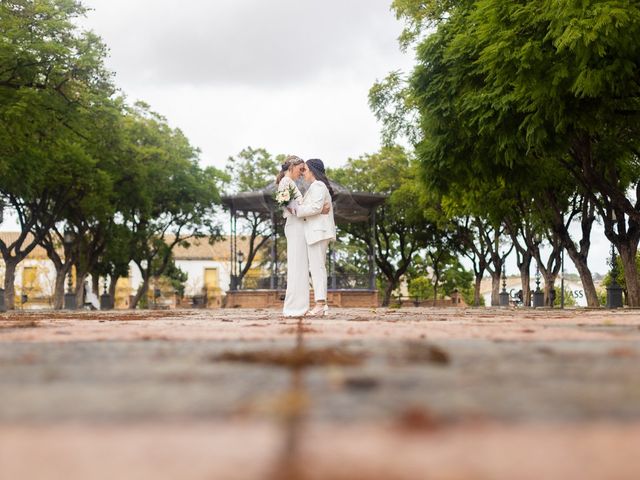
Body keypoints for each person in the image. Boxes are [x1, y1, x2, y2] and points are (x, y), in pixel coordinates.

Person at [295, 158, 336, 317]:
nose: (303, 172)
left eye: (304, 169)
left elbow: (316, 207)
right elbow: (318, 208)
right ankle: (322, 304)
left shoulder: (318, 185)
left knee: (317, 267)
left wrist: (297, 210)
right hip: (317, 232)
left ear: (312, 170)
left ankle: (320, 303)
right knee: (318, 267)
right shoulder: (317, 186)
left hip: (318, 232)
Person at [277, 155, 309, 317]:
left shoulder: (290, 183)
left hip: (299, 226)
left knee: (301, 265)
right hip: (295, 226)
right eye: (300, 169)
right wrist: (311, 210)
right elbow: (290, 207)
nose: (302, 173)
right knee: (297, 265)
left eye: (304, 170)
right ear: (292, 166)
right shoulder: (285, 182)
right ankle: (293, 307)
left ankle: (300, 306)